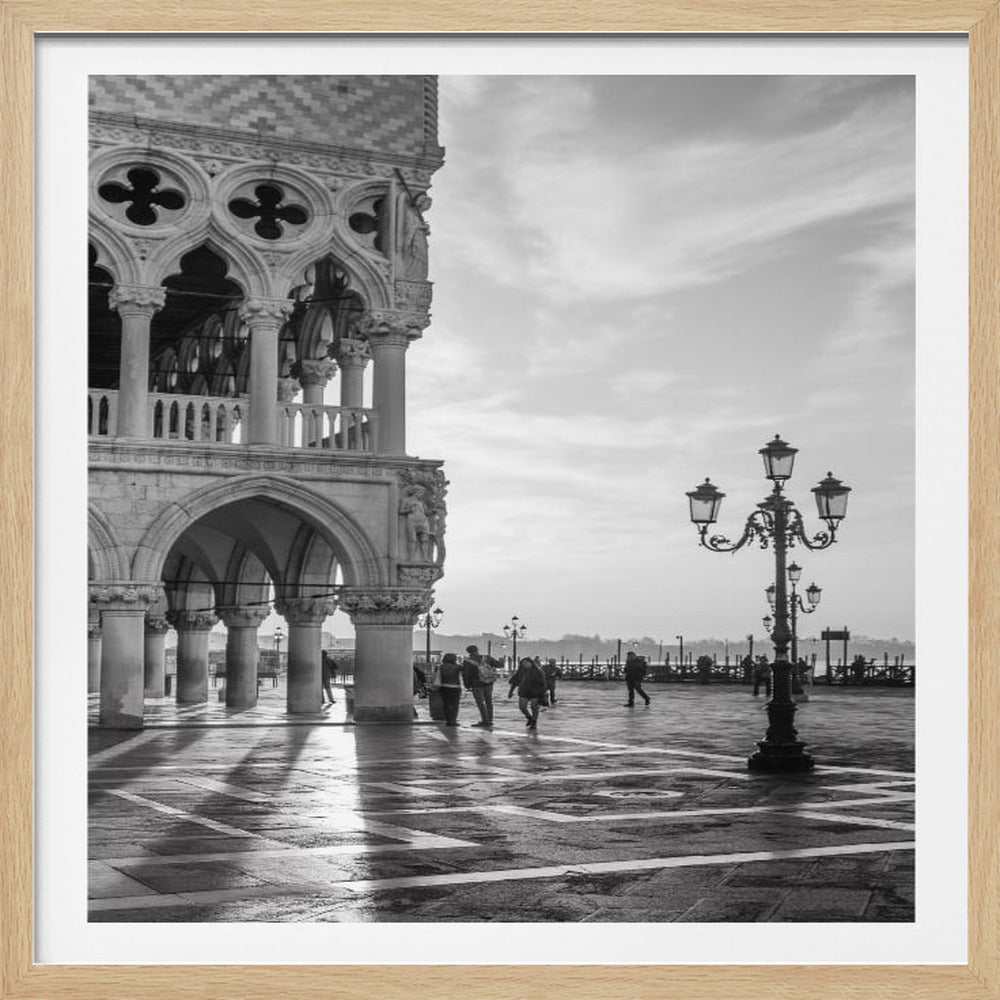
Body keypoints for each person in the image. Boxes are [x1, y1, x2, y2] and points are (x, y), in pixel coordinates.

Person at [508, 656, 548, 730]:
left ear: (531, 663)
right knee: (522, 707)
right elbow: (515, 682)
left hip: (535, 692)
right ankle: (529, 717)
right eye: (523, 663)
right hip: (524, 691)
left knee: (534, 707)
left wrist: (543, 694)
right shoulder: (520, 672)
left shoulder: (538, 672)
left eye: (526, 663)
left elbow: (543, 684)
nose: (525, 665)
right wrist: (511, 691)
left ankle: (534, 721)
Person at [461, 644, 495, 728]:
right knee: (489, 701)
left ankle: (485, 720)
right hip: (488, 682)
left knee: (480, 702)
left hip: (476, 683)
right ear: (477, 650)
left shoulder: (467, 660)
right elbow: (499, 664)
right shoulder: (486, 657)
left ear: (468, 652)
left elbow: (466, 674)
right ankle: (490, 719)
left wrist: (467, 685)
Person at [437, 652, 463, 726]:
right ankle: (453, 720)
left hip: (443, 687)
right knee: (455, 705)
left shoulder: (440, 667)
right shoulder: (457, 667)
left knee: (446, 704)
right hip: (455, 687)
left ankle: (448, 720)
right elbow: (465, 671)